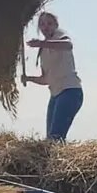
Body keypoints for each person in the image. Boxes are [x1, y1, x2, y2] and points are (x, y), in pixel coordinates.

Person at [21, 11, 84, 142]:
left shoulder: (59, 35)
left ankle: (61, 159)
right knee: (50, 138)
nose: (46, 27)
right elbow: (46, 79)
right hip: (55, 94)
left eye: (49, 23)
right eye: (42, 24)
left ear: (56, 25)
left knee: (56, 137)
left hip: (70, 91)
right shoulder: (43, 51)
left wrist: (41, 43)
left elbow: (68, 45)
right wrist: (28, 78)